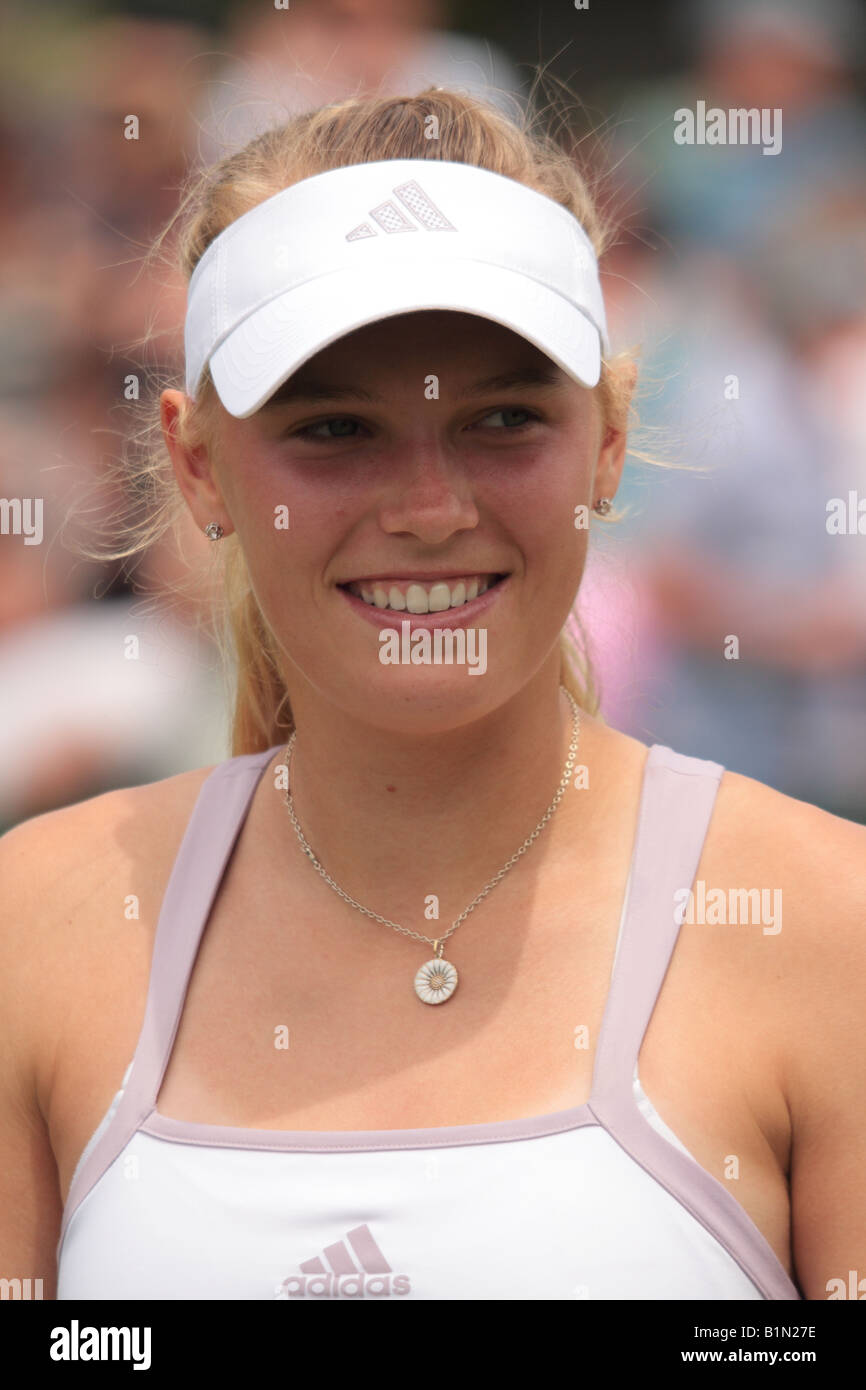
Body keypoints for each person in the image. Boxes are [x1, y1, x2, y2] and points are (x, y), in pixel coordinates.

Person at [1, 88, 863, 1303]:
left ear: (607, 441)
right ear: (199, 465)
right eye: (335, 426)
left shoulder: (829, 929)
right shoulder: (33, 928)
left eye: (503, 418)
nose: (429, 507)